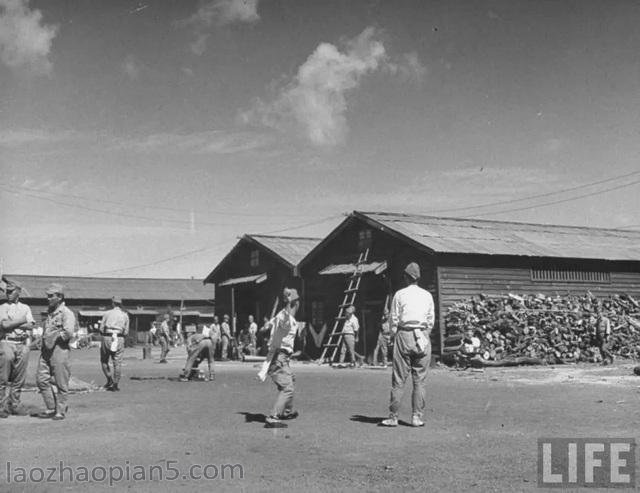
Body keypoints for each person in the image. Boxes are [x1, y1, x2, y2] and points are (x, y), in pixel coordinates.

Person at [381, 263, 434, 428]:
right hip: (422, 335)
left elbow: (394, 319)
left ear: (406, 277)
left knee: (398, 379)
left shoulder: (400, 294)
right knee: (420, 380)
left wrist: (392, 336)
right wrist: (424, 334)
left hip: (404, 334)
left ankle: (393, 416)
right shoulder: (427, 295)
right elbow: (431, 319)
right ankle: (417, 417)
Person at [257, 288, 301, 429]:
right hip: (279, 357)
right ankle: (273, 416)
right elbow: (284, 318)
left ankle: (285, 411)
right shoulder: (286, 318)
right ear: (295, 303)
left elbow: (268, 325)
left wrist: (265, 327)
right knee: (287, 387)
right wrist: (288, 301)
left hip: (280, 357)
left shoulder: (280, 316)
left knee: (290, 381)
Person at [33, 283, 76, 420]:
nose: (48, 299)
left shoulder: (66, 313)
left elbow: (68, 332)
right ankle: (51, 406)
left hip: (59, 349)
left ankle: (60, 410)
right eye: (48, 296)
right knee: (41, 380)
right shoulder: (50, 313)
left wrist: (55, 338)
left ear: (59, 297)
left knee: (61, 381)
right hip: (46, 350)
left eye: (51, 296)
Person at [0, 278, 35, 417]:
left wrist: (13, 323)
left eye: (11, 291)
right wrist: (22, 321)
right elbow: (5, 325)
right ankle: (2, 406)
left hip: (22, 343)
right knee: (3, 377)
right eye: (7, 291)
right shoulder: (2, 307)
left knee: (19, 378)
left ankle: (14, 404)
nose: (8, 293)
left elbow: (31, 325)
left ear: (18, 292)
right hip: (7, 342)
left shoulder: (25, 307)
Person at [99, 296, 129, 391]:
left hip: (107, 336)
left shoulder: (107, 313)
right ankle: (115, 384)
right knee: (117, 363)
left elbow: (101, 328)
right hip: (119, 337)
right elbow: (126, 331)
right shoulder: (125, 315)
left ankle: (109, 379)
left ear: (112, 303)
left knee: (104, 360)